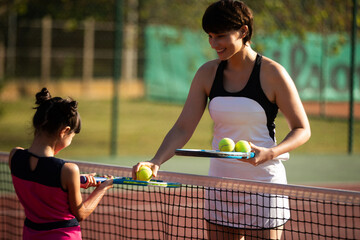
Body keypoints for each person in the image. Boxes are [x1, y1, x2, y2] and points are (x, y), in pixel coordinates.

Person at [133, 0, 311, 239]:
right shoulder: (207, 73)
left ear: (244, 31)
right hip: (219, 187)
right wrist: (156, 161)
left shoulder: (273, 73)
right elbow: (183, 128)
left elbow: (302, 129)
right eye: (210, 36)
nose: (214, 44)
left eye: (221, 36)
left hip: (264, 186)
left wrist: (271, 152)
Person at [9, 88, 113, 240]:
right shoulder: (68, 170)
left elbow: (38, 179)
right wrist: (103, 188)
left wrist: (73, 182)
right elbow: (81, 213)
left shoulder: (14, 156)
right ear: (64, 131)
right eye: (71, 137)